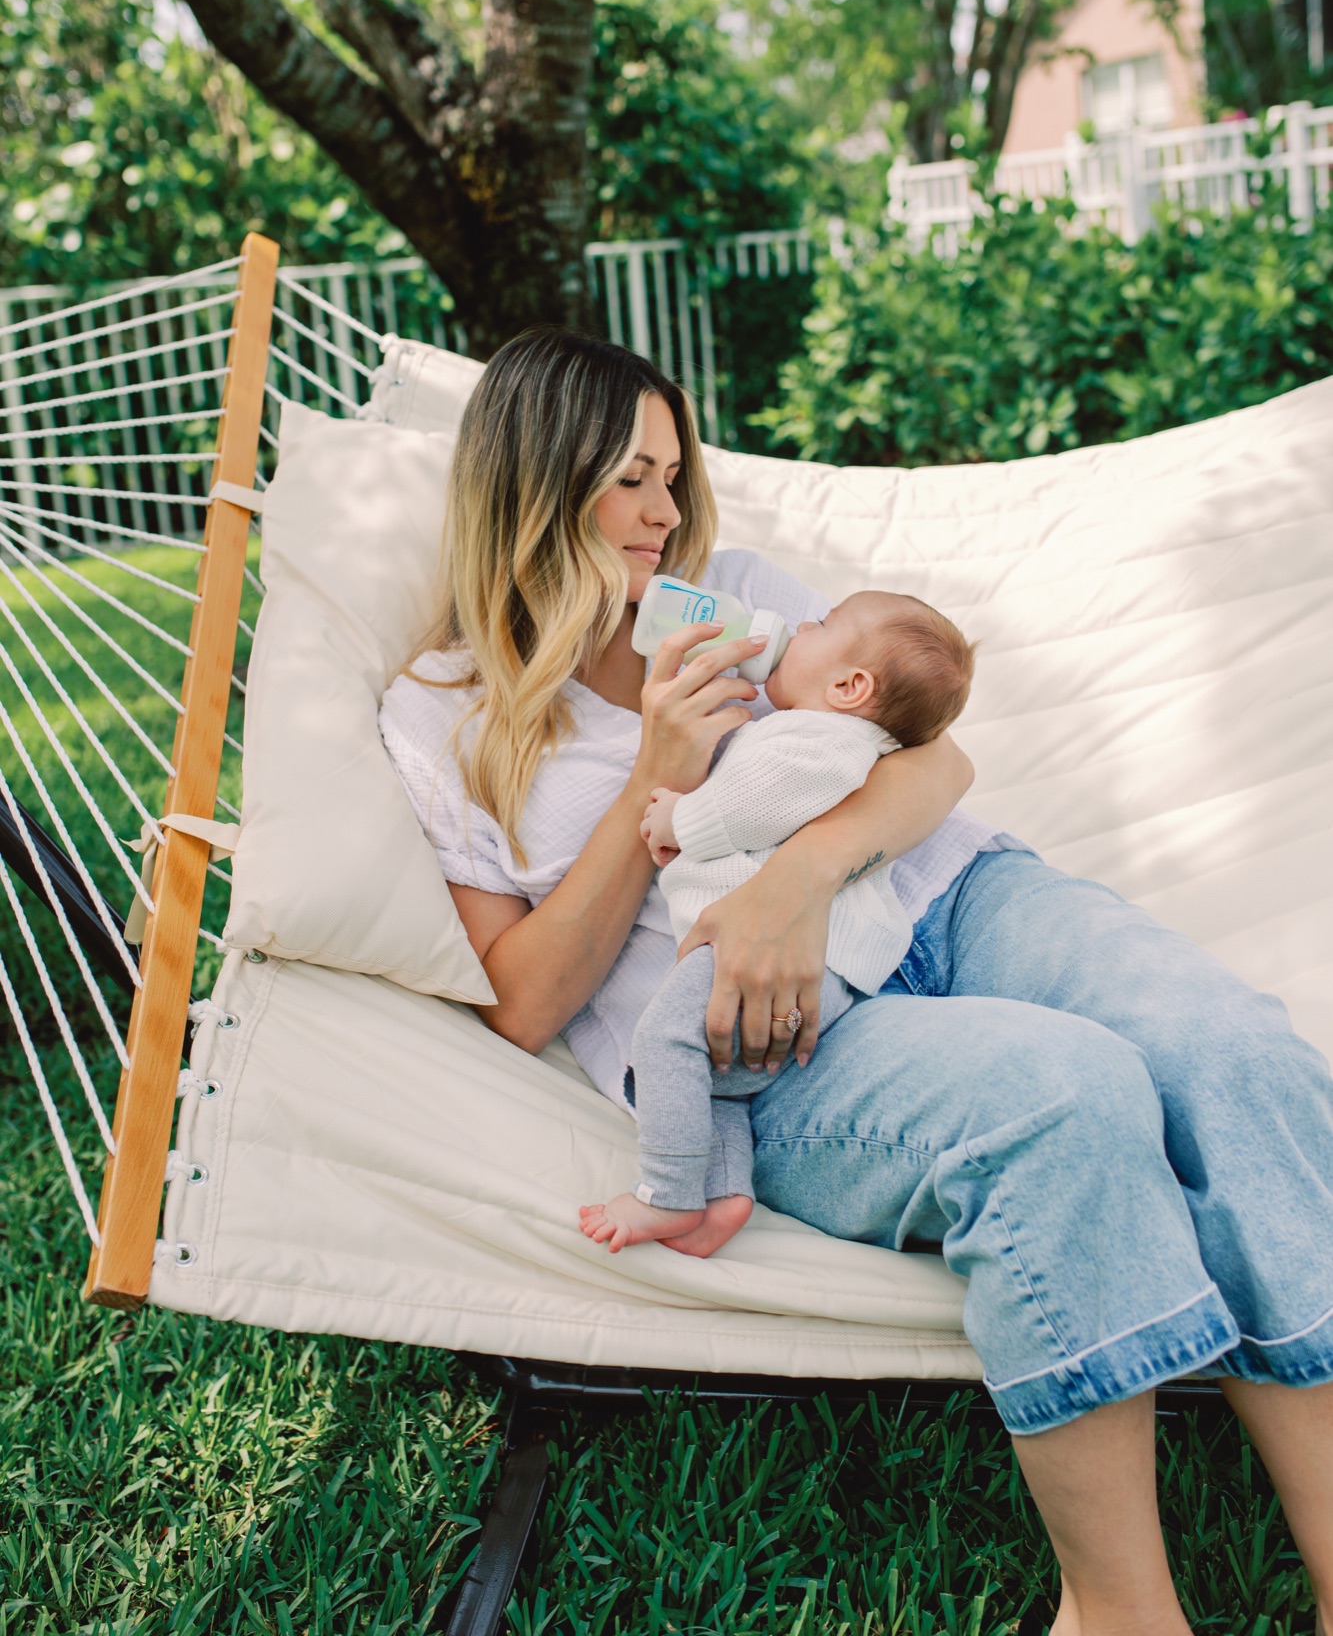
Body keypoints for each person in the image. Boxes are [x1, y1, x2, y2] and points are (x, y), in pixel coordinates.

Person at [380, 327, 1333, 1636]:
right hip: (770, 1039)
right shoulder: (445, 714)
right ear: (533, 486)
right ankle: (1121, 1615)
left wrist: (796, 877)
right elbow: (525, 999)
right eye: (629, 480)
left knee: (1234, 1055)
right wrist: (657, 775)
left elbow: (933, 767)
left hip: (948, 893)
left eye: (672, 476)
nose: (664, 514)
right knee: (1064, 1100)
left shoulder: (740, 595)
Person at [579, 589, 976, 1255]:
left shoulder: (824, 739)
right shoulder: (829, 735)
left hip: (783, 950)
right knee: (719, 1084)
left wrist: (683, 818)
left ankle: (665, 1194)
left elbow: (761, 803)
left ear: (850, 686)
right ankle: (724, 1197)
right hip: (804, 962)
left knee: (661, 1045)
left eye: (818, 626)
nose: (796, 625)